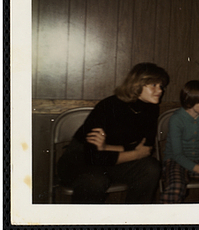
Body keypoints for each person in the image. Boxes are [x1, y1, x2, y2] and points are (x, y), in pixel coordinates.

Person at [57, 62, 169, 204]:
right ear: (137, 85)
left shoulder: (152, 109)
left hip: (111, 160)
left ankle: (135, 219)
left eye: (161, 86)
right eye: (153, 85)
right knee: (95, 180)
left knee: (151, 168)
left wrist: (105, 148)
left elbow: (146, 149)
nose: (159, 90)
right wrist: (134, 153)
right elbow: (93, 156)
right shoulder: (109, 106)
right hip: (80, 159)